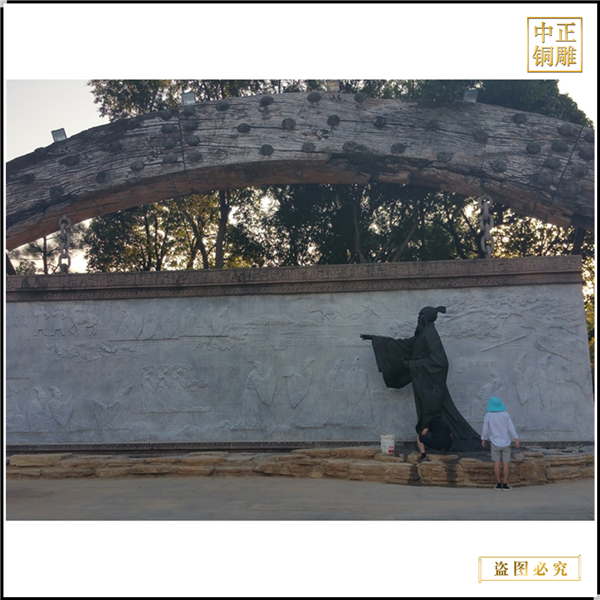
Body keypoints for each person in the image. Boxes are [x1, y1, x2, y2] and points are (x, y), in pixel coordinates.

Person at [361, 305, 480, 451]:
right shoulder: (422, 334)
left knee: (435, 413)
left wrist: (411, 364)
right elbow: (405, 345)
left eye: (421, 316)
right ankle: (431, 443)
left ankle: (435, 443)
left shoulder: (431, 334)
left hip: (430, 385)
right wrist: (377, 340)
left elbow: (440, 362)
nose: (419, 318)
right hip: (422, 382)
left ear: (428, 318)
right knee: (428, 414)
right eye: (419, 315)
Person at [481, 396, 520, 490]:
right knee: (506, 463)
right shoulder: (506, 415)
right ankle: (505, 484)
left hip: (495, 442)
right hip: (506, 442)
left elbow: (485, 428)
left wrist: (483, 439)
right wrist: (516, 439)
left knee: (496, 463)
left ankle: (498, 484)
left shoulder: (488, 415)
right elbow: (511, 428)